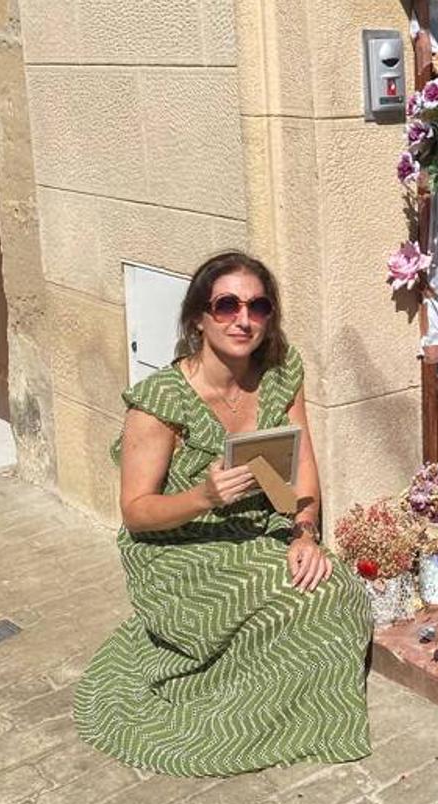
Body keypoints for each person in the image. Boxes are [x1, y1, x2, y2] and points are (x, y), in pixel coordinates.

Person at [74, 251, 372, 776]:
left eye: (258, 307)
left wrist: (305, 533)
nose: (243, 319)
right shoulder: (159, 401)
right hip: (179, 546)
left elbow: (302, 469)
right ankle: (226, 718)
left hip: (258, 529)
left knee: (336, 589)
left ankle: (296, 714)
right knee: (283, 603)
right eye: (227, 304)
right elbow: (137, 513)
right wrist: (204, 498)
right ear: (198, 317)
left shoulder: (280, 375)